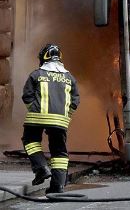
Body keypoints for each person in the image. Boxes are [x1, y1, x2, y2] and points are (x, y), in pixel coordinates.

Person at [21, 44, 80, 194]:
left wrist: (35, 109)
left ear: (43, 57)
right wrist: (66, 116)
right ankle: (57, 186)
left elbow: (27, 96)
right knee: (59, 151)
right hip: (60, 120)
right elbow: (75, 101)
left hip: (37, 117)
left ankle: (41, 169)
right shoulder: (70, 77)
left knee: (30, 140)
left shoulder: (36, 74)